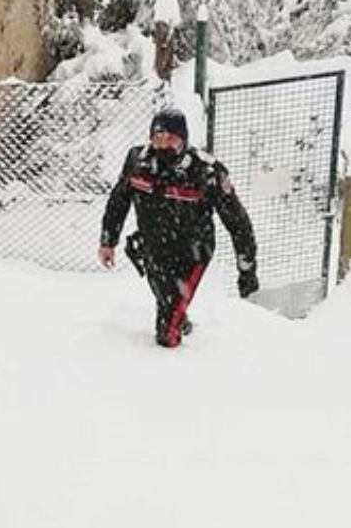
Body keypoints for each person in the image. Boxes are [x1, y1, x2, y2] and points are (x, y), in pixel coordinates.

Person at [98, 107, 258, 348]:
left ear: (183, 140)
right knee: (167, 302)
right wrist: (108, 241)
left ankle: (169, 368)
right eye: (157, 138)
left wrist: (247, 270)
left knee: (167, 333)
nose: (163, 145)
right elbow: (118, 201)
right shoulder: (137, 162)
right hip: (153, 246)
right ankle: (179, 318)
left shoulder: (207, 171)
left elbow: (238, 222)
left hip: (193, 251)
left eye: (170, 138)